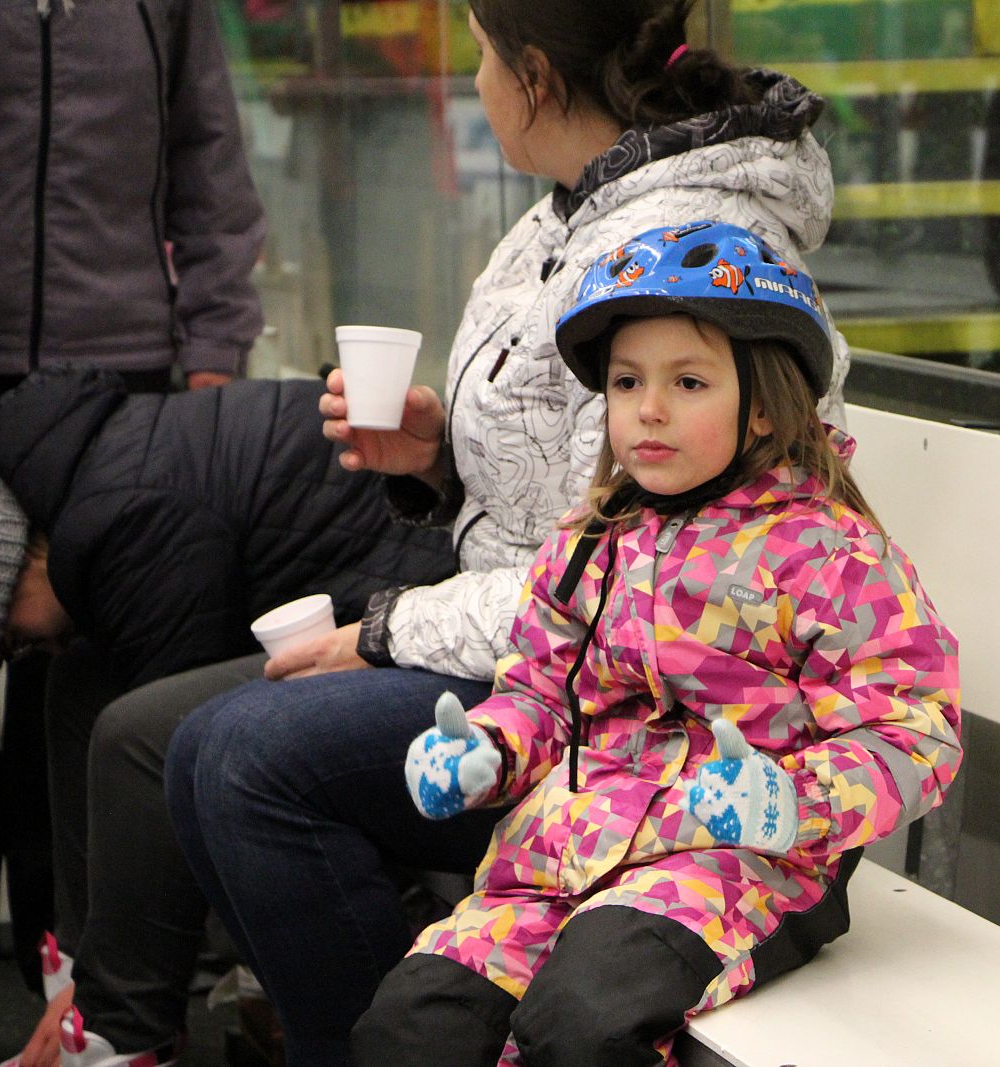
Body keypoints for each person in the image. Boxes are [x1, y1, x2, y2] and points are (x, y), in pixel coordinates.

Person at [165, 3, 851, 1063]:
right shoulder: (561, 219)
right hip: (561, 722)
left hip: (679, 783)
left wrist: (390, 631)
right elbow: (574, 587)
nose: (646, 409)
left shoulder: (688, 253)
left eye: (481, 59)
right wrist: (437, 461)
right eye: (628, 383)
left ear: (533, 76)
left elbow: (643, 596)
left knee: (242, 760)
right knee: (200, 753)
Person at [349, 221, 963, 1065]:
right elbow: (540, 693)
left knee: (584, 1024)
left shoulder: (829, 552)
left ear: (762, 404)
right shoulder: (590, 538)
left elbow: (915, 730)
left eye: (689, 381)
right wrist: (489, 750)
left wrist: (789, 798)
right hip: (557, 858)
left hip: (734, 862)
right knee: (410, 1027)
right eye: (627, 380)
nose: (649, 408)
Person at [0, 366, 451, 1067]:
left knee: (143, 739)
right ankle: (89, 986)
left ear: (6, 570)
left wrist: (105, 982)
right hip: (365, 575)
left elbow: (174, 773)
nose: (28, 648)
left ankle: (120, 1029)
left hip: (417, 601)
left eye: (10, 638)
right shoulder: (93, 478)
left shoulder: (126, 519)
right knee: (79, 684)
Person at [0, 0, 264, 1054]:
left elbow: (207, 152)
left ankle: (76, 961)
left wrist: (214, 342)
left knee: (85, 681)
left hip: (117, 370)